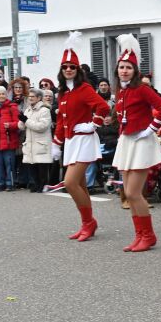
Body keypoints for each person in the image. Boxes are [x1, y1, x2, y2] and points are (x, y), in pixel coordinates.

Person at [112, 34, 161, 252]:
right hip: (127, 141)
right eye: (121, 67)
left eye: (128, 67)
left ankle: (149, 235)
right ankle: (139, 235)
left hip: (142, 142)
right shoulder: (121, 90)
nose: (124, 70)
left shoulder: (142, 89)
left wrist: (150, 130)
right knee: (128, 193)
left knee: (135, 193)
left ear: (135, 70)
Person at [51, 32, 111, 241]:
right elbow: (61, 120)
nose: (68, 70)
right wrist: (56, 142)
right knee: (80, 185)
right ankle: (87, 222)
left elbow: (103, 107)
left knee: (70, 182)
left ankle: (89, 222)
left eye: (72, 67)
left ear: (78, 70)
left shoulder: (84, 88)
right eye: (65, 67)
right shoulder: (62, 93)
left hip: (84, 140)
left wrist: (91, 125)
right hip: (70, 141)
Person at [20, 88, 53, 192]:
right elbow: (22, 127)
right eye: (29, 96)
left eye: (32, 96)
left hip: (40, 143)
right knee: (31, 165)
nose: (30, 98)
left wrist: (26, 120)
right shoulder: (28, 110)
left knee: (41, 167)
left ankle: (42, 185)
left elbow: (41, 126)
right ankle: (35, 184)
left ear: (39, 98)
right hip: (30, 143)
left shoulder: (44, 110)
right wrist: (21, 120)